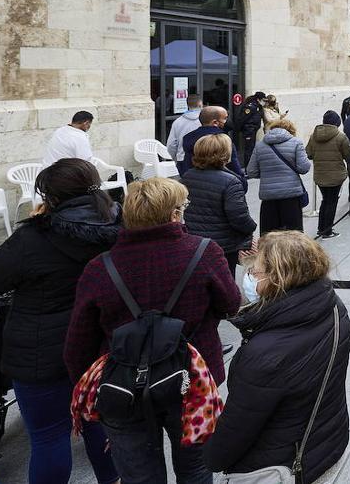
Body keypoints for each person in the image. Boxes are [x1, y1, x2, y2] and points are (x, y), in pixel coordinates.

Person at [64, 177, 241, 484]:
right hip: (191, 382)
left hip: (123, 385)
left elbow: (78, 344)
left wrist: (92, 394)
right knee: (196, 470)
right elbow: (230, 304)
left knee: (139, 477)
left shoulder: (99, 267)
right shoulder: (204, 252)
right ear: (174, 214)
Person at [0, 159, 120, 484]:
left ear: (50, 196)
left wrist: (31, 229)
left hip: (42, 353)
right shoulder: (120, 226)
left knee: (49, 436)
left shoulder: (35, 236)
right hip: (102, 348)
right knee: (98, 425)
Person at [204, 232, 350, 482]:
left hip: (282, 464)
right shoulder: (334, 308)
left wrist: (211, 457)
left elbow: (236, 430)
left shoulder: (266, 353)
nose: (250, 277)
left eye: (257, 272)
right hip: (327, 440)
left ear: (278, 278)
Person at [180, 134, 257, 272]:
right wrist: (251, 227)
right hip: (223, 246)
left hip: (195, 242)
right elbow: (239, 217)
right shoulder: (231, 181)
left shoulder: (187, 176)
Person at [247, 117, 311, 233]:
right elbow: (304, 168)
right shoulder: (296, 143)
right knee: (293, 236)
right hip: (291, 195)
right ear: (291, 130)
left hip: (269, 197)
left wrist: (268, 173)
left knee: (269, 236)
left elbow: (251, 171)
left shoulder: (260, 145)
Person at [305, 111, 350, 239]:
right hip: (336, 174)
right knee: (332, 202)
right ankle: (327, 230)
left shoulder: (313, 136)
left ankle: (321, 228)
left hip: (320, 174)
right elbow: (348, 154)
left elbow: (308, 154)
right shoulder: (341, 137)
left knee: (325, 200)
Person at [182, 105, 246, 185]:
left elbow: (186, 164)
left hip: (194, 185)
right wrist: (242, 182)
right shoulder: (224, 142)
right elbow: (234, 168)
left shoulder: (188, 138)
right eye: (225, 118)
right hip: (221, 185)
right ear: (215, 122)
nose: (227, 121)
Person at [166, 95, 202, 174]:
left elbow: (171, 145)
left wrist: (175, 158)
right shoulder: (205, 120)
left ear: (187, 105)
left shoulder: (177, 122)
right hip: (203, 159)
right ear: (200, 104)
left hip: (182, 160)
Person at [234, 92, 267, 168]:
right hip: (249, 131)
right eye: (263, 100)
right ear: (258, 99)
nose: (264, 102)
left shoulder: (257, 106)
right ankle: (248, 169)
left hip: (253, 130)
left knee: (251, 149)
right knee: (249, 150)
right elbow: (242, 119)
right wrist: (238, 130)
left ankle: (250, 168)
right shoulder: (250, 107)